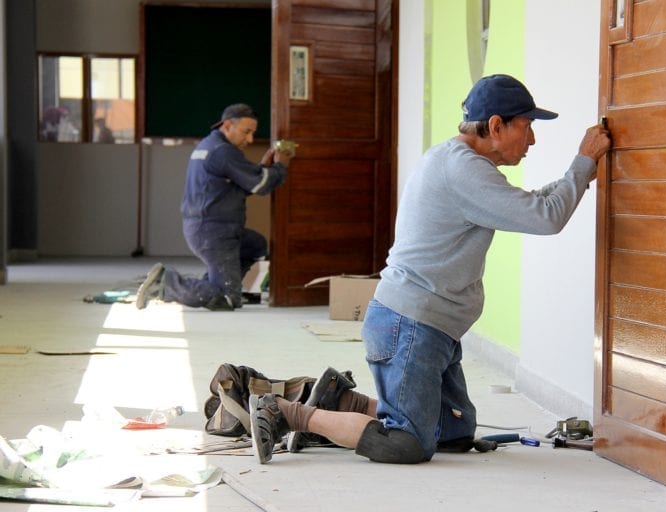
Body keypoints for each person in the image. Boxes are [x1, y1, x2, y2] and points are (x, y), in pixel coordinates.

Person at [250, 74, 611, 464]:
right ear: (495, 125)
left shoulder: (458, 162)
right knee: (407, 443)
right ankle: (288, 413)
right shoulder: (463, 171)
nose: (532, 140)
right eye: (527, 127)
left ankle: (340, 399)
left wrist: (578, 178)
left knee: (453, 433)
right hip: (411, 326)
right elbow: (545, 218)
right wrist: (583, 161)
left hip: (428, 328)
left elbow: (529, 204)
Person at [136, 103, 293, 311]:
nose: (250, 140)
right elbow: (260, 186)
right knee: (228, 299)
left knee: (256, 245)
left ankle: (215, 283)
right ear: (227, 125)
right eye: (246, 132)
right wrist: (281, 165)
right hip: (214, 232)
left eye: (253, 133)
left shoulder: (208, 145)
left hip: (209, 228)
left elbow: (242, 185)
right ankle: (166, 283)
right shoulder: (223, 152)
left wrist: (262, 168)